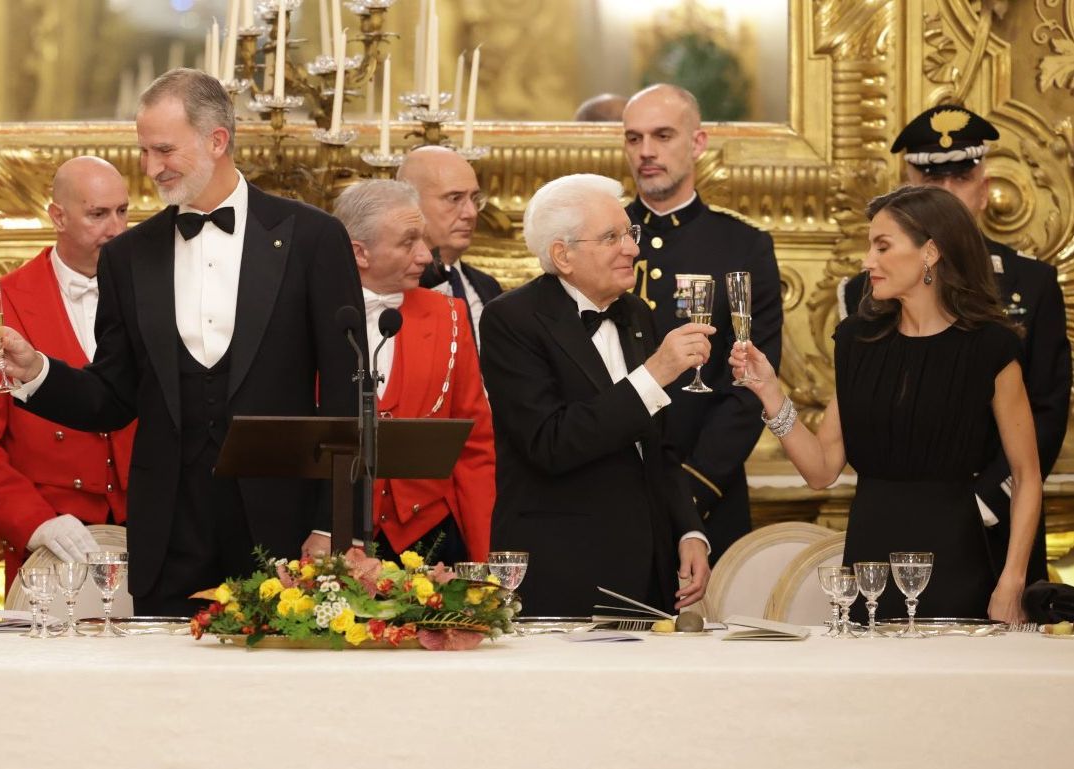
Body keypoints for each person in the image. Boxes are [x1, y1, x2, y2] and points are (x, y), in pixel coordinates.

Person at [0, 69, 364, 616]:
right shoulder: (129, 256)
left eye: (163, 150)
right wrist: (36, 370)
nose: (151, 168)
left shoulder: (312, 237)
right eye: (144, 151)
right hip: (169, 533)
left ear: (217, 140)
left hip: (284, 528)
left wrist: (333, 524)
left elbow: (347, 396)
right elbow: (113, 395)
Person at [731, 185, 1040, 622]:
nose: (866, 261)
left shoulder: (991, 347)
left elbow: (1027, 477)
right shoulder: (858, 341)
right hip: (868, 569)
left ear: (930, 251)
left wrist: (1012, 580)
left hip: (955, 563)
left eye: (882, 246)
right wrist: (770, 393)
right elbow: (821, 469)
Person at [838, 105, 1070, 584]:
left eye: (960, 177)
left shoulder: (1030, 281)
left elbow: (1046, 408)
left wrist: (982, 497)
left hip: (1000, 520)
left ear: (984, 190)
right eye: (927, 177)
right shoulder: (868, 292)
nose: (943, 192)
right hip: (902, 518)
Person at [479, 173, 712, 617]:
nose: (632, 249)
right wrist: (653, 375)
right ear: (562, 255)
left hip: (651, 568)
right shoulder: (511, 320)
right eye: (612, 238)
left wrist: (688, 530)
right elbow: (550, 443)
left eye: (630, 233)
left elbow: (657, 443)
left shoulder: (638, 314)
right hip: (564, 566)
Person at [0, 157, 136, 579]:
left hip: (147, 525)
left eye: (123, 211)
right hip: (55, 535)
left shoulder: (156, 291)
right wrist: (33, 521)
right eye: (98, 214)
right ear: (57, 216)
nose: (116, 229)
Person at [622, 83, 783, 561]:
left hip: (708, 491)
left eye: (663, 135)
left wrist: (694, 489)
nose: (646, 152)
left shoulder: (742, 245)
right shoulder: (601, 238)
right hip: (610, 488)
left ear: (697, 143)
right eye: (634, 138)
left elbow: (751, 378)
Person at [333, 179, 496, 564]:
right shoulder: (312, 313)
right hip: (335, 536)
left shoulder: (449, 316)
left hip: (432, 538)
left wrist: (483, 555)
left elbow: (475, 446)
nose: (426, 256)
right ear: (360, 253)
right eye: (408, 242)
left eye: (423, 239)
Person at [397, 146, 502, 351]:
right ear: (411, 203)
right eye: (455, 198)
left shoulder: (488, 287)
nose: (471, 213)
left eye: (474, 199)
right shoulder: (391, 288)